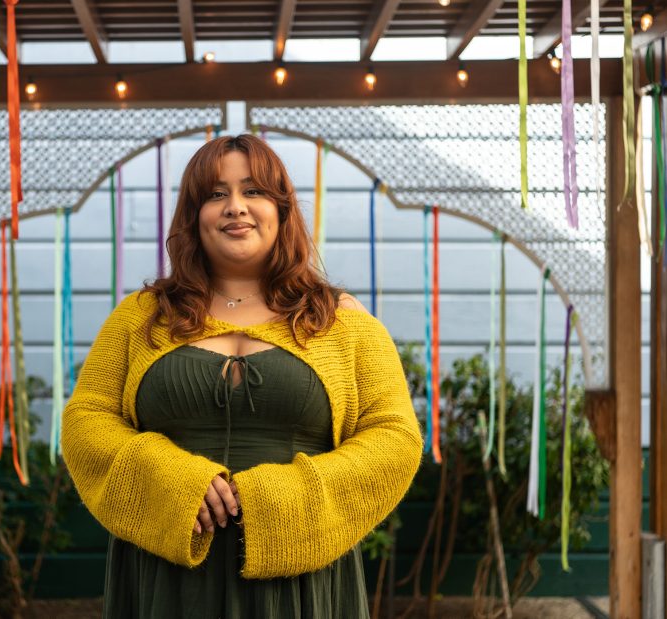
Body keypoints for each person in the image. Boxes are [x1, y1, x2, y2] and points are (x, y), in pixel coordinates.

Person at [61, 134, 423, 618]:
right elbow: (86, 421)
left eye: (253, 191)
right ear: (194, 215)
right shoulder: (142, 317)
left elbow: (395, 438)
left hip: (301, 579)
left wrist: (285, 498)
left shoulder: (341, 321)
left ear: (281, 209)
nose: (236, 207)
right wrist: (168, 476)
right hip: (166, 573)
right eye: (216, 194)